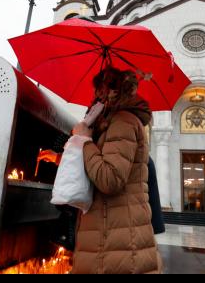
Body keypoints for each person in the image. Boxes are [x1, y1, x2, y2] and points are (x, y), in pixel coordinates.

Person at [40, 66, 161, 273]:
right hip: (109, 233)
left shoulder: (123, 121)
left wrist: (84, 140)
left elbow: (109, 179)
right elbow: (100, 160)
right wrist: (59, 157)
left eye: (100, 90)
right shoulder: (112, 122)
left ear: (114, 91)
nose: (96, 96)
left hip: (117, 239)